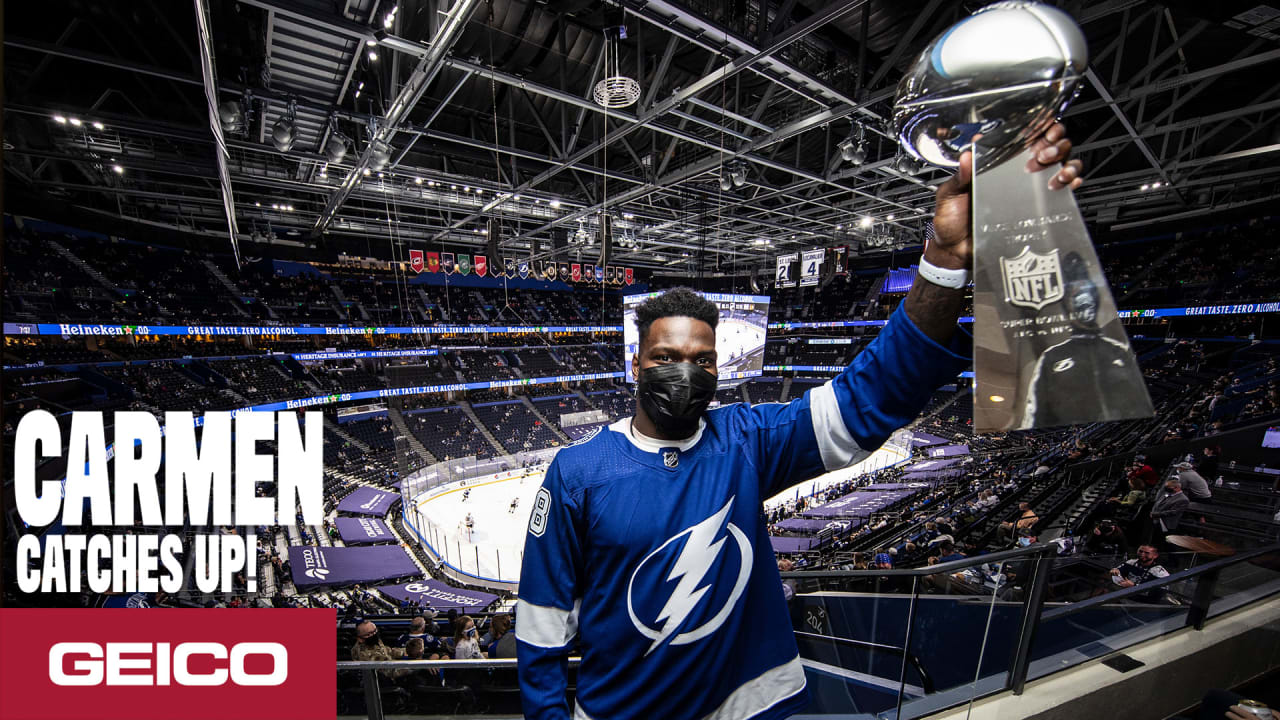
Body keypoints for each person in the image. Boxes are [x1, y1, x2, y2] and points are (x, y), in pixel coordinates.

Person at [516, 123, 1084, 720]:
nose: (685, 372)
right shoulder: (577, 472)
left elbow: (874, 395)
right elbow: (542, 626)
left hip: (755, 707)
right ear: (636, 364)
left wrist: (943, 261)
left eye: (702, 360)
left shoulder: (748, 440)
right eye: (666, 358)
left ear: (719, 367)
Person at [1019, 250, 1151, 429]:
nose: (1083, 298)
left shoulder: (1119, 351)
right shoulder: (1051, 358)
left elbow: (1139, 402)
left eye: (1086, 290)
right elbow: (1033, 417)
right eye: (1075, 293)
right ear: (1066, 305)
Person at [1150, 478, 1191, 546]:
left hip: (1166, 524)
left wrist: (1156, 514)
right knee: (1153, 539)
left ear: (1177, 488)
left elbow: (1173, 512)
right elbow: (1157, 502)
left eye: (1168, 487)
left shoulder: (1183, 499)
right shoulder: (1167, 493)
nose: (1166, 488)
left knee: (1161, 542)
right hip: (1156, 519)